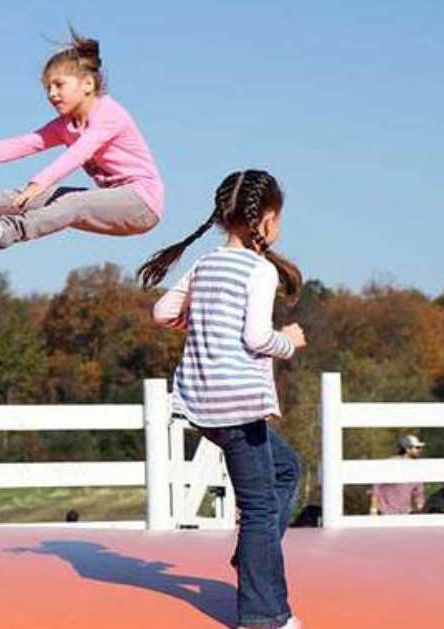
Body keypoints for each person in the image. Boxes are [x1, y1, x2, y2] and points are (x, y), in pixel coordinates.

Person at [147, 170, 304, 629]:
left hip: (202, 406)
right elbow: (257, 337)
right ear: (269, 220)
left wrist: (203, 322)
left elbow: (162, 312)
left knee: (286, 468)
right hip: (237, 406)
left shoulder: (204, 264)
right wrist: (288, 341)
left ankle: (253, 559)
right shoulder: (259, 269)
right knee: (258, 508)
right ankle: (265, 615)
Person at [0, 28, 164, 250]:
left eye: (58, 85)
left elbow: (79, 153)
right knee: (33, 196)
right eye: (47, 88)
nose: (51, 94)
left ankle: (10, 230)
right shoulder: (65, 125)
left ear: (87, 84)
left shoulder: (110, 114)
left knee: (69, 200)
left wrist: (40, 182)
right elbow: (20, 145)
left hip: (141, 204)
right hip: (111, 207)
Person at [369, 435, 426, 515]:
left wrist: (421, 509)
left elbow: (418, 493)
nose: (419, 450)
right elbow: (377, 487)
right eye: (416, 448)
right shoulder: (392, 463)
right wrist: (373, 509)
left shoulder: (417, 468)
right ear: (407, 449)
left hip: (405, 513)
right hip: (385, 513)